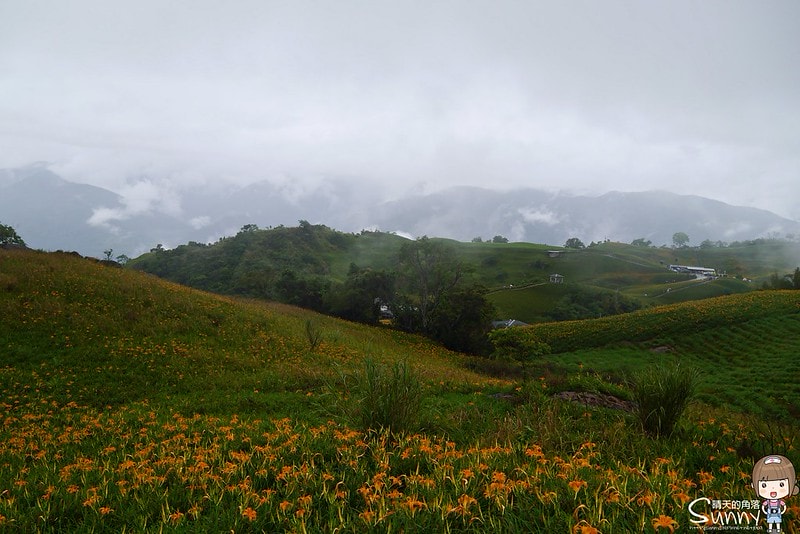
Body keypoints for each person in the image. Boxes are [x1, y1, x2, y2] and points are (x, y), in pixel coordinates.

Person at [751, 455, 799, 532]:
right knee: (771, 521)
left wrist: (783, 511)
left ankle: (776, 529)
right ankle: (770, 529)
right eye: (764, 485)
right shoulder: (768, 502)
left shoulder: (780, 502)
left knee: (777, 521)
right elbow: (764, 506)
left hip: (777, 513)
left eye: (781, 484)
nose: (773, 490)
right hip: (770, 513)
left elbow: (783, 506)